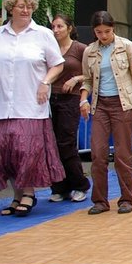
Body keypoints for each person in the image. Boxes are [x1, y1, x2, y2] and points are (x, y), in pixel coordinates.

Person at [0, 0, 65, 217]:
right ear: (11, 8)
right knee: (6, 152)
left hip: (30, 104)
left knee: (26, 150)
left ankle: (29, 193)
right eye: (21, 6)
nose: (25, 10)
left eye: (29, 6)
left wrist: (45, 82)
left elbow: (57, 64)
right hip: (1, 104)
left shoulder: (42, 34)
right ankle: (16, 195)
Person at [80, 11, 132, 215]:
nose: (104, 36)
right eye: (99, 32)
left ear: (113, 29)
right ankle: (100, 200)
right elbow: (87, 79)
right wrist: (83, 99)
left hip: (123, 103)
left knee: (123, 154)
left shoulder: (125, 46)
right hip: (100, 104)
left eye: (107, 31)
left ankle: (127, 198)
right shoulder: (89, 51)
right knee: (98, 153)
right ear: (94, 32)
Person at [48, 14, 90, 203]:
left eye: (60, 26)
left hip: (70, 99)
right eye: (53, 26)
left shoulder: (81, 49)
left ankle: (79, 184)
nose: (56, 30)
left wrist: (76, 79)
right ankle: (59, 186)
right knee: (52, 144)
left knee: (66, 142)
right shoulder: (49, 48)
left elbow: (92, 73)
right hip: (50, 98)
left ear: (70, 28)